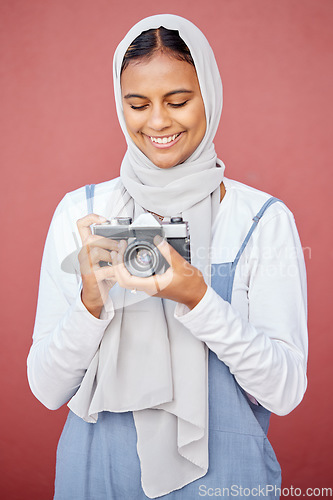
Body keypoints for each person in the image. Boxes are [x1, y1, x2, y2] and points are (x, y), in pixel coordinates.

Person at [27, 14, 308, 500]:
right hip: (95, 478)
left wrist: (199, 300)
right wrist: (91, 304)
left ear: (210, 97)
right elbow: (47, 389)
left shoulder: (261, 219)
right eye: (137, 104)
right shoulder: (85, 212)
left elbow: (284, 392)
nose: (157, 121)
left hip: (223, 482)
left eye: (178, 101)